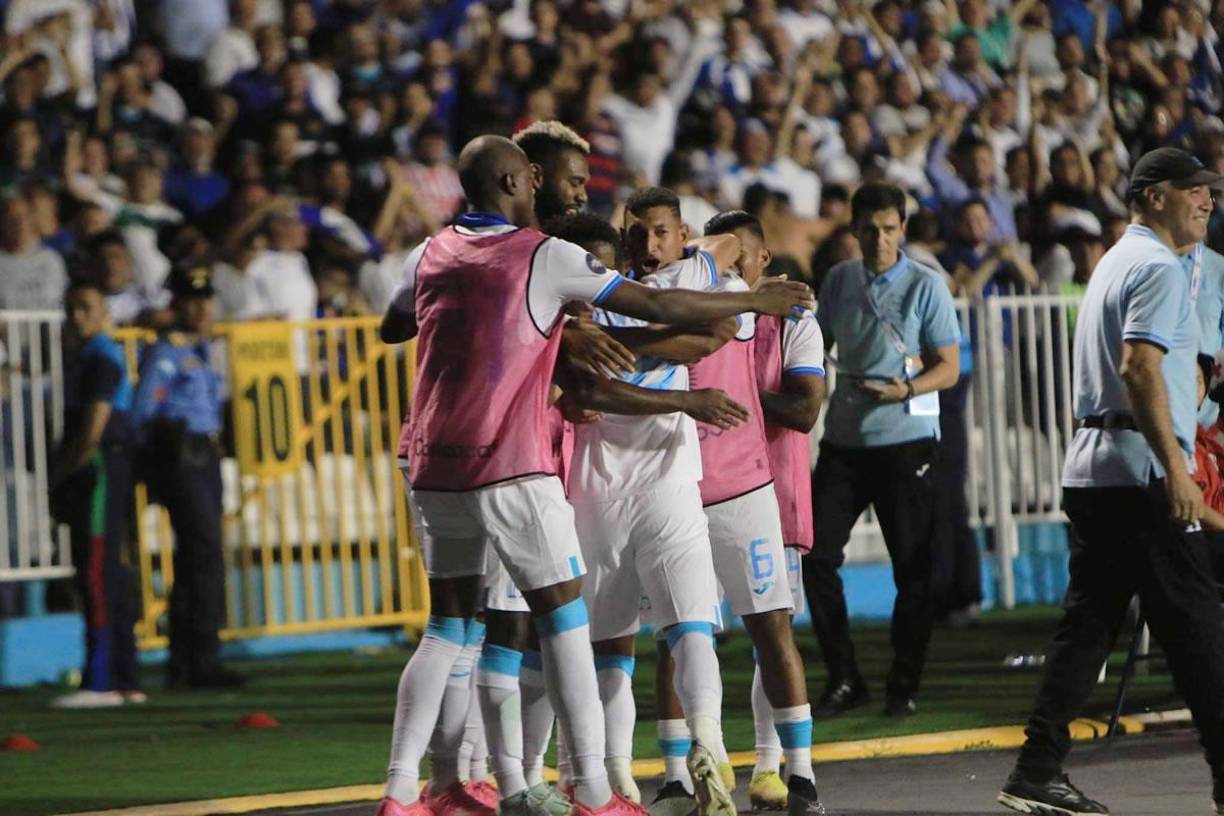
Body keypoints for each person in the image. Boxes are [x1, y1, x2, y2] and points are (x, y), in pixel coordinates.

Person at [375, 135, 812, 816]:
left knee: (451, 630)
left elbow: (393, 325)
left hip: (435, 461)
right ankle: (588, 787)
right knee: (563, 625)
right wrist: (751, 303)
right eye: (561, 178)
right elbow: (663, 312)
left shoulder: (430, 252)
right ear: (519, 180)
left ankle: (415, 788)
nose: (577, 189)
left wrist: (542, 326)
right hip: (517, 464)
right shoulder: (547, 257)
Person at [998, 148, 1224, 816]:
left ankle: (1036, 770)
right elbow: (1138, 368)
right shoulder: (1158, 267)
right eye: (1193, 189)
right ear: (1153, 196)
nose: (1208, 200)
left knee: (1090, 627)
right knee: (1198, 636)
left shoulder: (1116, 262)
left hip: (1095, 467)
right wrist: (1176, 468)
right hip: (1142, 472)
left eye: (1209, 190)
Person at [622, 190, 826, 816]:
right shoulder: (633, 295)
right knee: (676, 638)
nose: (650, 246)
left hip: (743, 491)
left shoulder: (731, 294)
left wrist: (726, 275)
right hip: (674, 492)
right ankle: (676, 778)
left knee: (771, 629)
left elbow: (730, 253)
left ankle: (798, 775)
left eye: (662, 233)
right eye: (640, 235)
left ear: (683, 236)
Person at [548, 212, 744, 814]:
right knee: (690, 628)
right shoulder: (662, 295)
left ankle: (613, 779)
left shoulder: (562, 324)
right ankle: (707, 737)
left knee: (608, 648)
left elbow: (580, 392)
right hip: (668, 485)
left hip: (595, 494)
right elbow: (722, 299)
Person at [805, 182, 962, 719]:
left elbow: (948, 366)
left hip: (907, 441)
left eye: (889, 228)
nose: (879, 239)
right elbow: (816, 345)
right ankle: (844, 677)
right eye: (869, 229)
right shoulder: (839, 279)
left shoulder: (926, 285)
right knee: (815, 557)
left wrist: (906, 390)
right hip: (844, 443)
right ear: (854, 229)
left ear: (904, 229)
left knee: (912, 569)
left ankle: (904, 682)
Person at [702, 210, 826, 811]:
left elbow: (804, 411)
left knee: (769, 632)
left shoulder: (795, 321)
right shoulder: (699, 313)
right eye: (719, 260)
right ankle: (698, 763)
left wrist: (732, 391)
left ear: (763, 261)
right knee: (690, 632)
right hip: (697, 491)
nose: (728, 271)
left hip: (773, 496)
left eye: (739, 259)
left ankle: (769, 765)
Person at [130, 265, 245, 690]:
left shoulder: (201, 349)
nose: (201, 309)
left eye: (206, 300)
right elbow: (144, 411)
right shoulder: (168, 352)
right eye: (192, 301)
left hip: (205, 455)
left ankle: (189, 660)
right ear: (177, 306)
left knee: (199, 557)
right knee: (203, 554)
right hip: (182, 457)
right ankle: (199, 660)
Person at [48, 279, 141, 709]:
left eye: (86, 307)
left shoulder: (100, 360)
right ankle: (125, 677)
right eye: (72, 308)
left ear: (104, 312)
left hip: (99, 469)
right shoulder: (87, 357)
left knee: (97, 572)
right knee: (108, 571)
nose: (76, 316)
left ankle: (101, 681)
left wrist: (60, 473)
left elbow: (92, 430)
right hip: (104, 468)